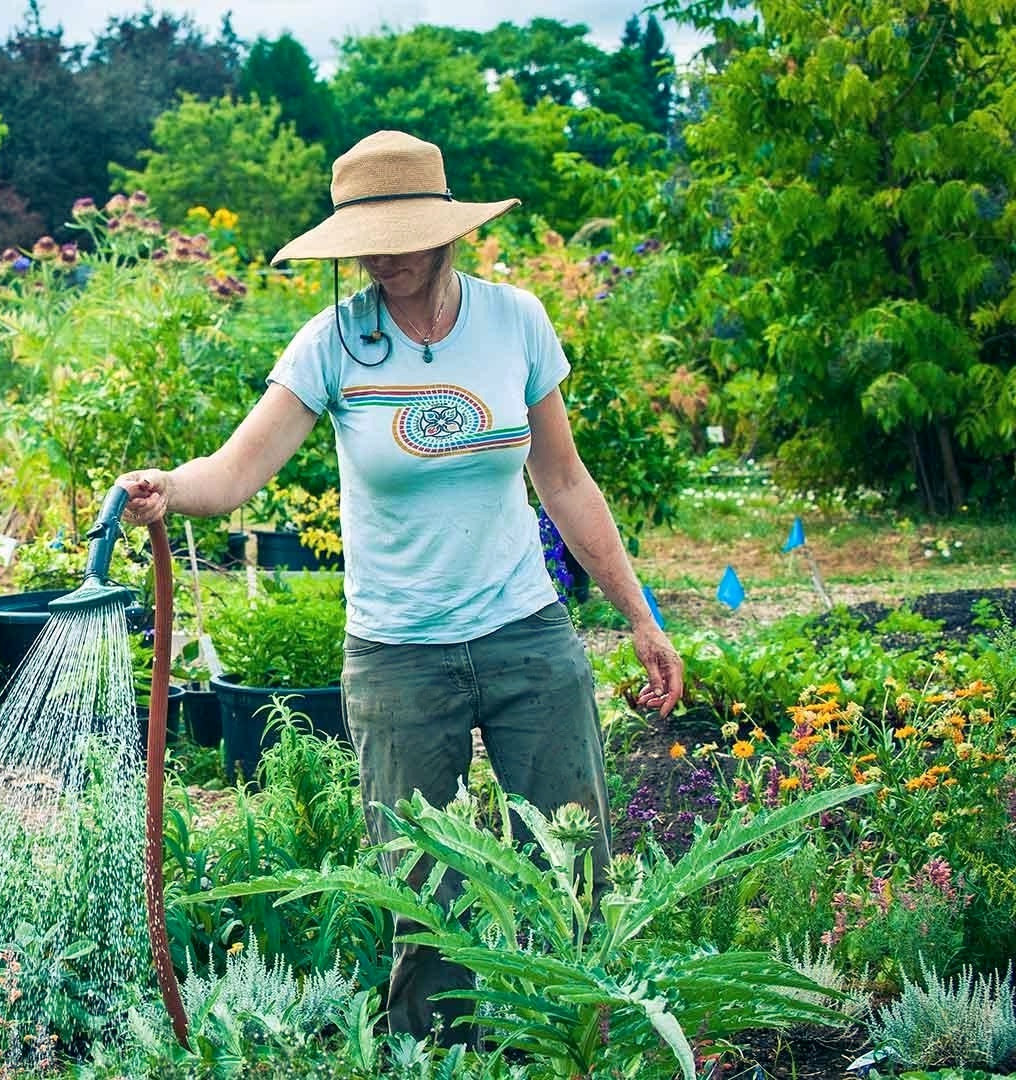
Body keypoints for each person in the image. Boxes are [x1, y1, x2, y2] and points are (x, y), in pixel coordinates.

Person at [116, 130, 685, 1044]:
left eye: (404, 230)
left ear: (447, 228)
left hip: (525, 634)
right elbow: (233, 475)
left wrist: (641, 619)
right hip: (397, 654)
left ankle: (578, 1050)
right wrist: (166, 490)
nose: (383, 254)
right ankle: (437, 1061)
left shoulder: (515, 323)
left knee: (574, 866)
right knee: (424, 898)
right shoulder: (333, 344)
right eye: (366, 236)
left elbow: (566, 481)